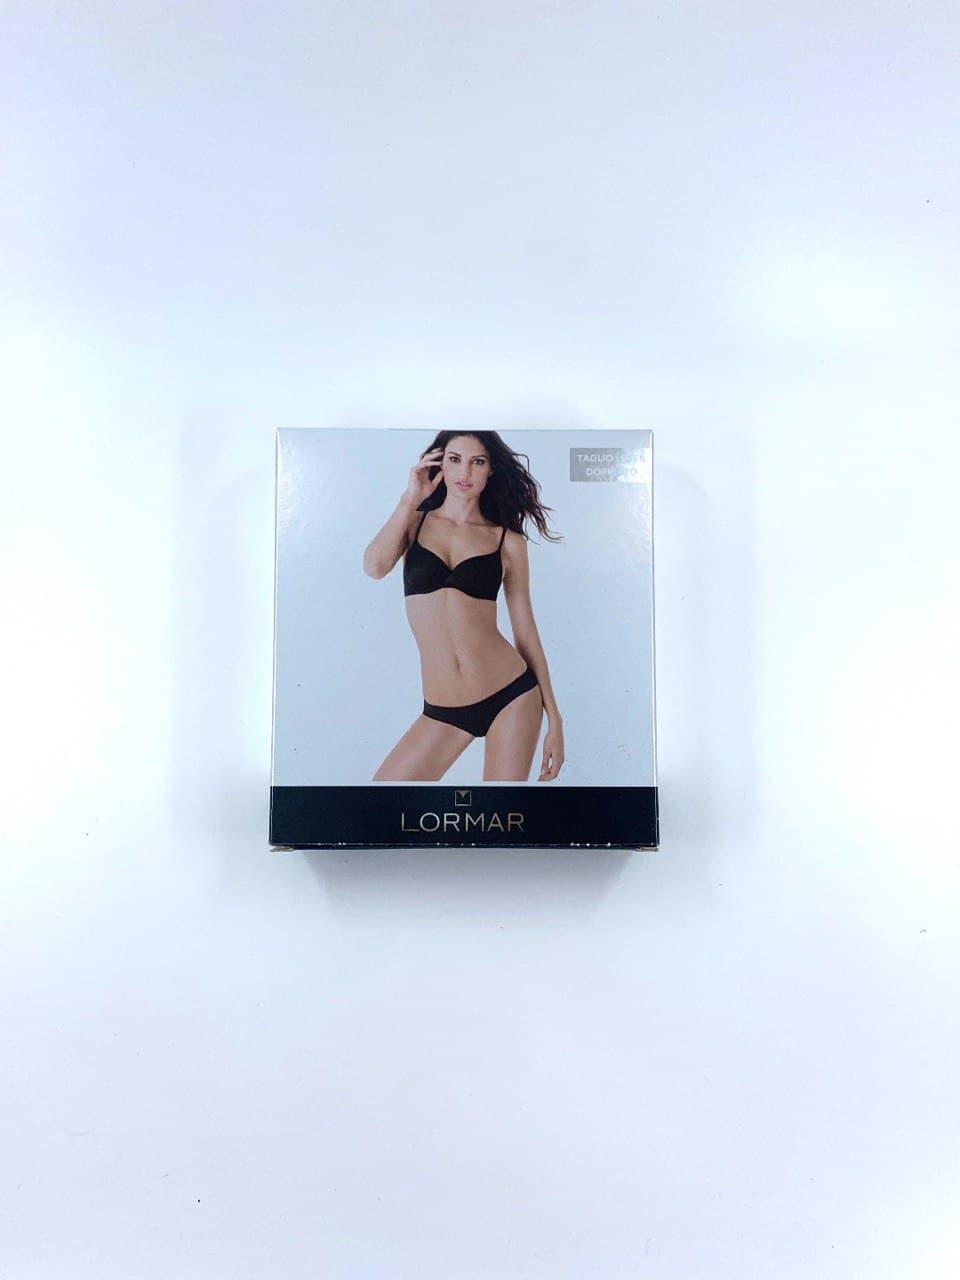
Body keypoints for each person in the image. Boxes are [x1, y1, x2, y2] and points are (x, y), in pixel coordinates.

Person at [363, 431, 565, 782]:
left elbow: (525, 631)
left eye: (477, 462)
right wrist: (410, 498)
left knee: (501, 813)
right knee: (383, 801)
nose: (465, 473)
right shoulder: (416, 521)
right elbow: (374, 567)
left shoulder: (506, 541)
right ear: (438, 463)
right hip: (443, 710)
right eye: (455, 459)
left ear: (491, 470)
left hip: (511, 696)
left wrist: (555, 719)